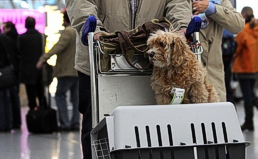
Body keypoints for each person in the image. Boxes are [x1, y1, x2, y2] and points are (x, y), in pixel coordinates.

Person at [66, 1, 192, 158]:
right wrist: (95, 30)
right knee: (98, 128)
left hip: (151, 59)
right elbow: (82, 4)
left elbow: (178, 3)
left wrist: (182, 27)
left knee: (151, 128)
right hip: (100, 57)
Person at [192, 0, 244, 103]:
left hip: (213, 78)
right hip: (186, 78)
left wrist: (212, 8)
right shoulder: (181, 2)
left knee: (215, 116)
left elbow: (238, 24)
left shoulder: (219, 1)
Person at [36, 12, 80, 131]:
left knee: (60, 95)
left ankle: (65, 123)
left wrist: (43, 59)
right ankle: (75, 122)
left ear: (65, 19)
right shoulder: (78, 31)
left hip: (66, 71)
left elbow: (58, 47)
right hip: (77, 70)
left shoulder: (68, 31)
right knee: (75, 98)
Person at [232, 6, 258, 131]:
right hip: (256, 68)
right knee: (251, 94)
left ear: (244, 16)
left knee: (247, 96)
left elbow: (237, 50)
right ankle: (253, 119)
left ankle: (249, 122)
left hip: (244, 67)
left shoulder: (243, 31)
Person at [17, 16, 47, 110]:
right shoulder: (41, 36)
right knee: (41, 94)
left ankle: (33, 114)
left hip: (27, 70)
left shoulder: (21, 38)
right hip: (39, 70)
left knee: (31, 95)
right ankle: (43, 113)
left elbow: (19, 52)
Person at [3, 21, 22, 130]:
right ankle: (17, 122)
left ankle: (11, 121)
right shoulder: (17, 38)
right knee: (15, 97)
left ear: (9, 28)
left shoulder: (6, 39)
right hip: (16, 71)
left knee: (10, 97)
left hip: (9, 71)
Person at [222, 29, 237, 104]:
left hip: (220, 62)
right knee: (227, 86)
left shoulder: (220, 31)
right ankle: (232, 107)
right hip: (228, 61)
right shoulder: (230, 32)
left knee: (223, 86)